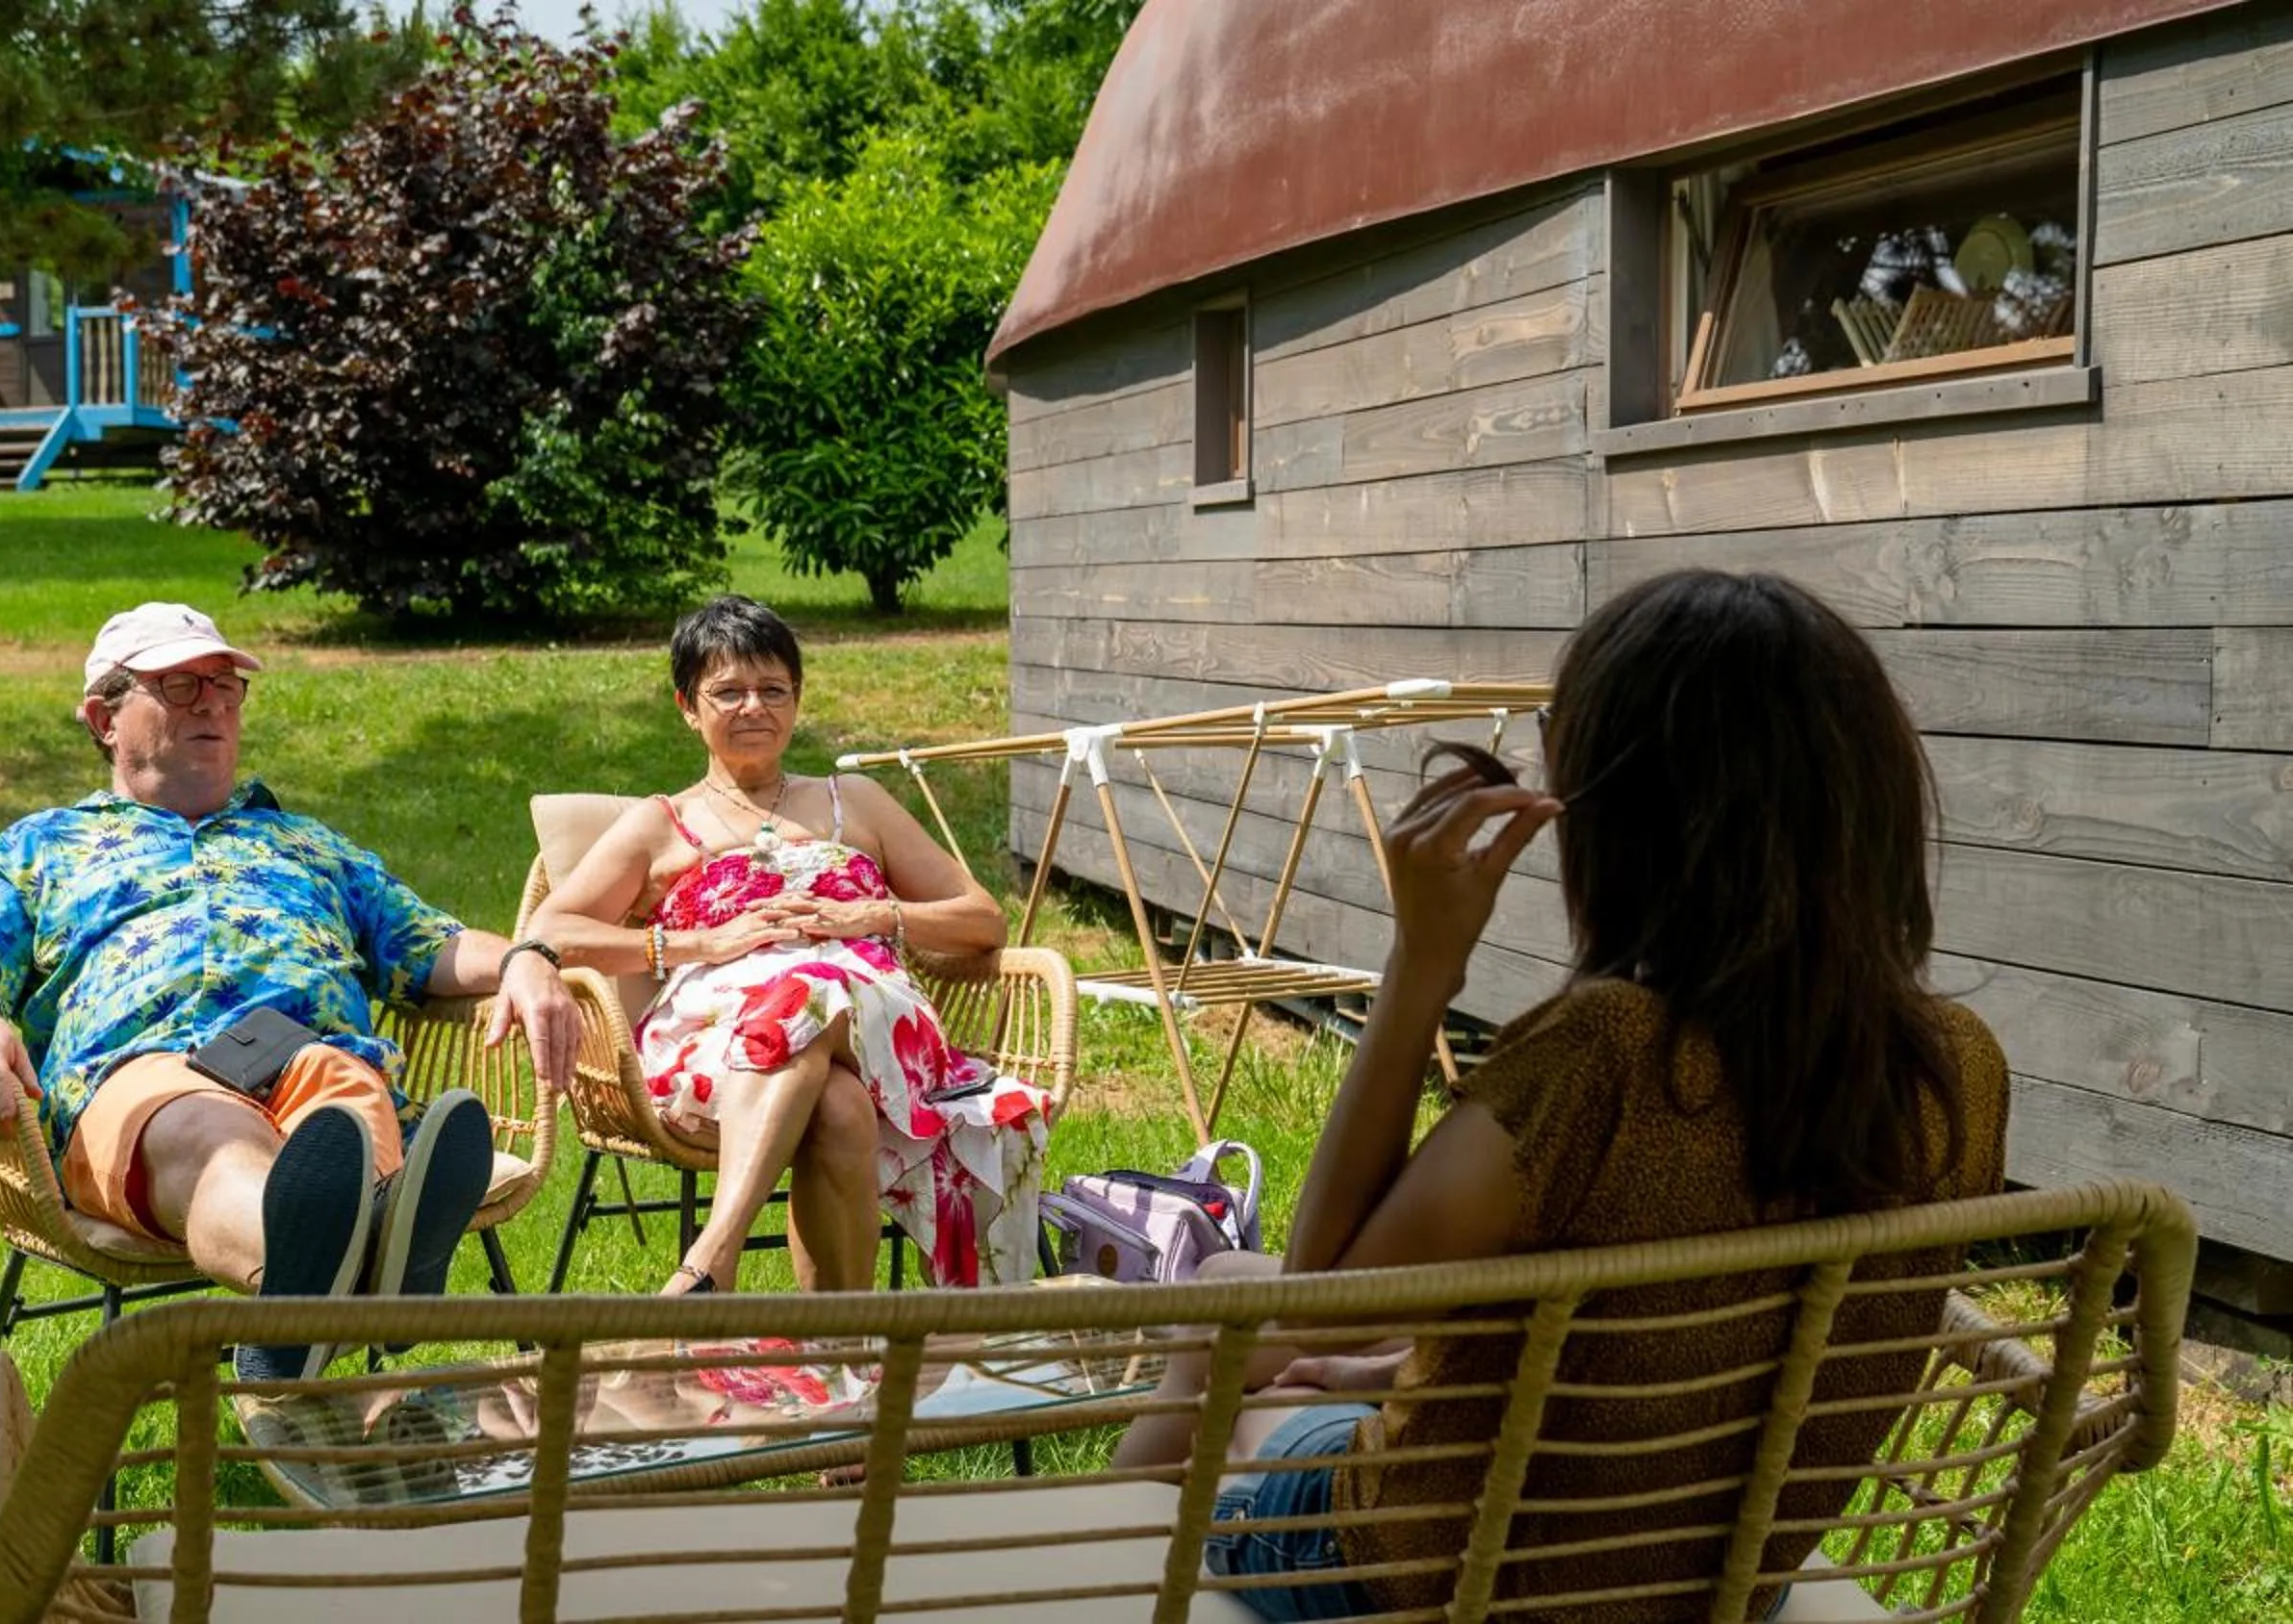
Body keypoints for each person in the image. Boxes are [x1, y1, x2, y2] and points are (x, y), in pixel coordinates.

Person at [1113, 570, 2011, 1620]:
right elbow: (1688, 1300)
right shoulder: (1960, 1067)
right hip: (1712, 1585)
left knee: (1232, 1347)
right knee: (1282, 1312)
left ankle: (1088, 1566)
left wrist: (1420, 968)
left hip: (1434, 1579)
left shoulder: (1611, 1055)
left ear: (1625, 815)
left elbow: (1316, 1294)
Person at [0, 601, 579, 1383]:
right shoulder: (39, 849)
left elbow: (432, 945)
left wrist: (525, 957)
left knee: (342, 1104)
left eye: (225, 683)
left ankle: (310, 1301)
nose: (213, 700)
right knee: (210, 1133)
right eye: (179, 685)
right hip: (142, 1075)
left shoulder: (307, 843)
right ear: (103, 718)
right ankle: (361, 1278)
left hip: (313, 1060)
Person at [528, 595, 1052, 1294]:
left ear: (797, 701)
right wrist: (698, 941)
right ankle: (839, 1356)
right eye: (729, 692)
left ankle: (712, 1258)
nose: (754, 708)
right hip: (719, 1043)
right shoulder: (660, 825)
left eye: (774, 690)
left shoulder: (854, 802)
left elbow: (981, 919)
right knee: (838, 1107)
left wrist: (875, 916)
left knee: (816, 988)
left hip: (878, 1027)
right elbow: (549, 933)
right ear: (688, 706)